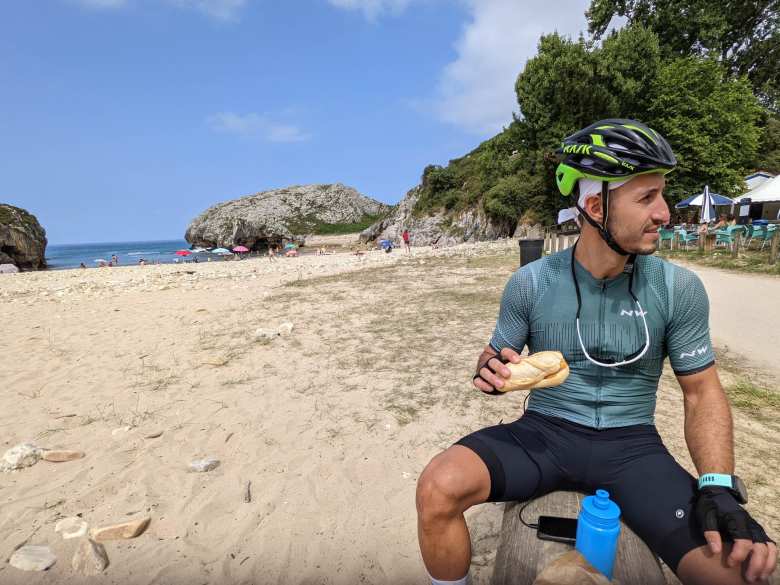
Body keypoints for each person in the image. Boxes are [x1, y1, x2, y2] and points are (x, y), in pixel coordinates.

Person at [416, 119, 776, 585]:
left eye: (662, 194)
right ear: (594, 205)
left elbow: (702, 393)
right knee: (435, 489)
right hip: (544, 433)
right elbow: (495, 353)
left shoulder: (678, 288)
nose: (665, 213)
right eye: (646, 198)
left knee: (742, 574)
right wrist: (490, 370)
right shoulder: (531, 282)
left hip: (633, 447)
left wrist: (718, 486)